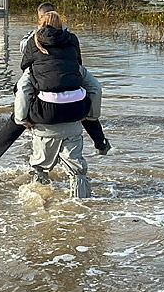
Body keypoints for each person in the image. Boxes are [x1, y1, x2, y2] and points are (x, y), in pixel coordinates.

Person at [0, 3, 110, 165]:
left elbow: (25, 69)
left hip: (44, 96)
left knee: (23, 110)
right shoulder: (70, 37)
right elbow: (89, 79)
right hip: (73, 90)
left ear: (40, 19)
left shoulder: (32, 39)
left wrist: (22, 117)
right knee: (80, 98)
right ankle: (101, 143)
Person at [13, 63, 102, 199]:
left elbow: (23, 90)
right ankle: (83, 207)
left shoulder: (34, 67)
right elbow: (95, 88)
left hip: (45, 126)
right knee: (77, 171)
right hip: (73, 123)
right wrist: (91, 115)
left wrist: (21, 118)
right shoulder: (75, 66)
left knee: (39, 167)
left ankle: (38, 211)